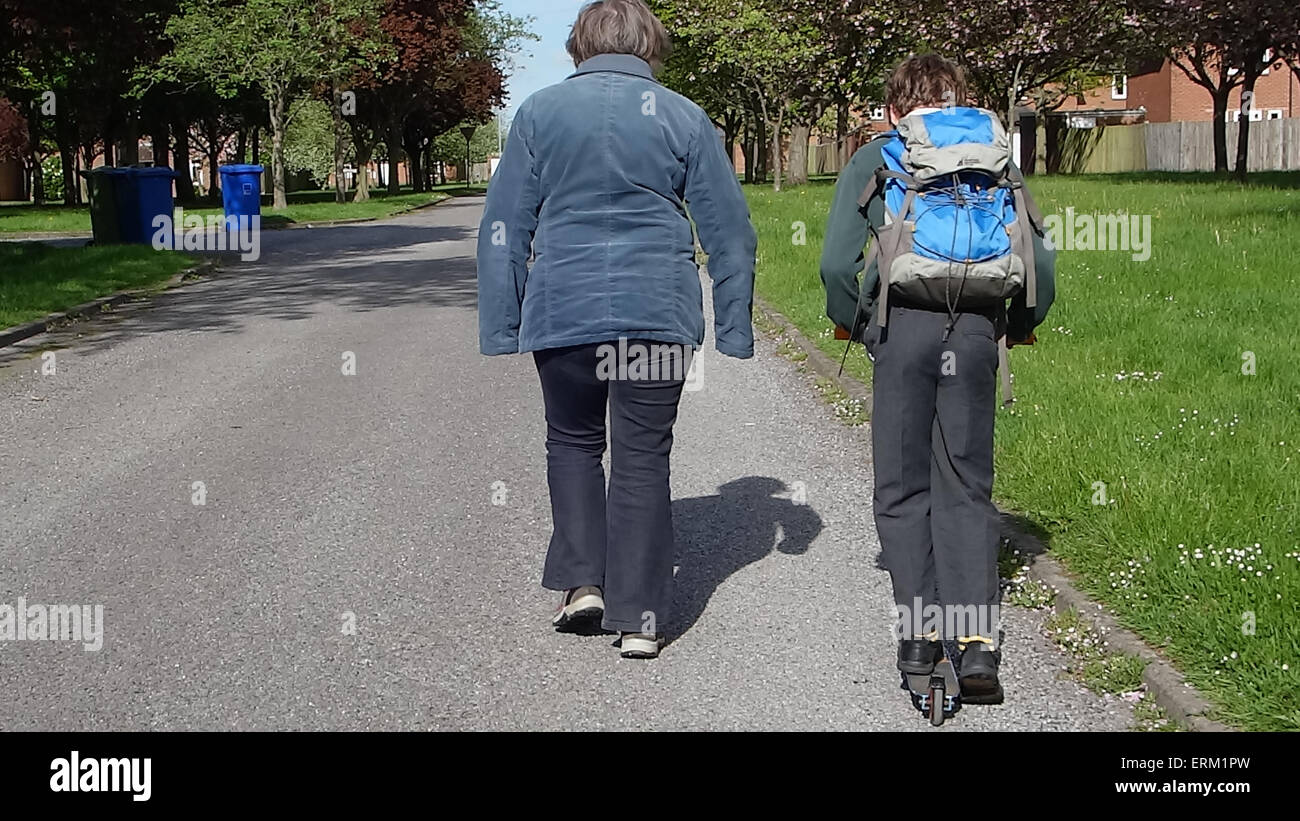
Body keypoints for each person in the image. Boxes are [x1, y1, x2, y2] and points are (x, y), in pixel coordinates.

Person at [476, 0, 757, 659]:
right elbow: (730, 234)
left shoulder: (539, 114)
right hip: (656, 312)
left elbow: (503, 229)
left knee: (572, 442)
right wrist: (735, 328)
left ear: (580, 46)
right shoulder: (685, 117)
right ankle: (642, 617)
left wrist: (502, 322)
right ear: (650, 46)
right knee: (641, 455)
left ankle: (583, 585)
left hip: (564, 310)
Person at [819, 54, 1056, 700]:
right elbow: (1040, 256)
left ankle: (921, 634)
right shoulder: (993, 156)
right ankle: (977, 646)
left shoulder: (880, 156)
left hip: (903, 329)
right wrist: (1021, 321)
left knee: (901, 486)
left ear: (896, 108)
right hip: (977, 330)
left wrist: (859, 325)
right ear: (959, 101)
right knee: (967, 483)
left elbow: (837, 265)